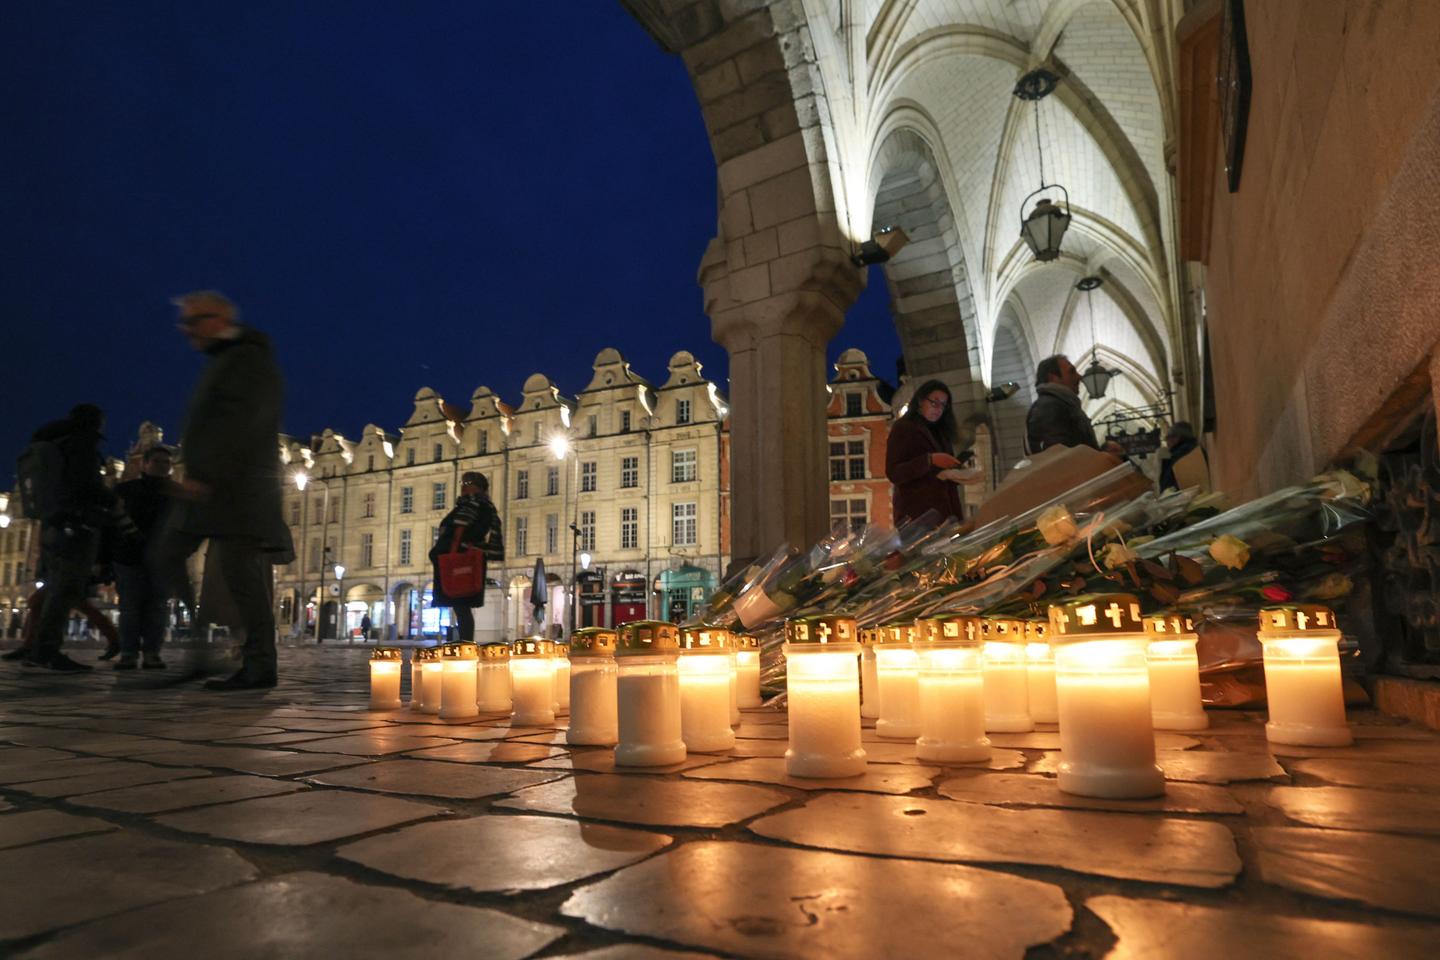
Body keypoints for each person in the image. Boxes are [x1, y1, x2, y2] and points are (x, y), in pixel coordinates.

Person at [151, 291, 292, 691]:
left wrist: (205, 473)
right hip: (218, 486)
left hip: (234, 488)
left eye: (192, 323)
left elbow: (241, 421)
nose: (187, 331)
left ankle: (258, 663)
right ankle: (203, 651)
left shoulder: (247, 358)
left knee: (238, 575)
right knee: (168, 554)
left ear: (216, 320)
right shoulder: (229, 357)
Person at [24, 404, 116, 671]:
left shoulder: (53, 443)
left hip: (52, 524)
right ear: (96, 422)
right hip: (76, 524)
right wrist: (110, 500)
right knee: (66, 590)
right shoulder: (81, 444)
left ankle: (37, 650)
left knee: (56, 589)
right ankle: (46, 651)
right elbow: (85, 484)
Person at [113, 445, 178, 669]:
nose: (163, 467)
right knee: (129, 608)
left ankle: (152, 653)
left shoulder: (177, 493)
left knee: (157, 608)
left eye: (167, 463)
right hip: (130, 557)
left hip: (162, 560)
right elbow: (112, 525)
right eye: (158, 462)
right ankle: (129, 653)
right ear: (145, 464)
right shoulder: (126, 490)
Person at [428, 471, 503, 644]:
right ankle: (465, 642)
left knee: (461, 604)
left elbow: (461, 531)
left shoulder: (474, 505)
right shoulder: (477, 505)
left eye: (468, 482)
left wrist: (445, 550)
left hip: (461, 560)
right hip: (464, 558)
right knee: (461, 606)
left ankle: (466, 644)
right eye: (463, 481)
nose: (463, 485)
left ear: (479, 487)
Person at [885, 380, 969, 525]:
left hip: (946, 515)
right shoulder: (903, 427)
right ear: (920, 401)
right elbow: (894, 472)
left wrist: (958, 472)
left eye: (943, 405)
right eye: (934, 403)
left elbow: (942, 475)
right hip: (917, 517)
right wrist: (929, 460)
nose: (938, 409)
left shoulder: (941, 431)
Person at [1025, 355, 1124, 456]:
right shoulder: (1048, 407)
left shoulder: (1062, 405)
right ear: (1053, 377)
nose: (1079, 377)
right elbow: (1059, 460)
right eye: (1072, 372)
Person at [1159, 421, 1207, 492]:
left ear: (1177, 437)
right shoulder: (1197, 449)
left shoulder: (1179, 454)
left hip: (1182, 497)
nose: (1167, 442)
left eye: (1167, 438)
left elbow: (1171, 482)